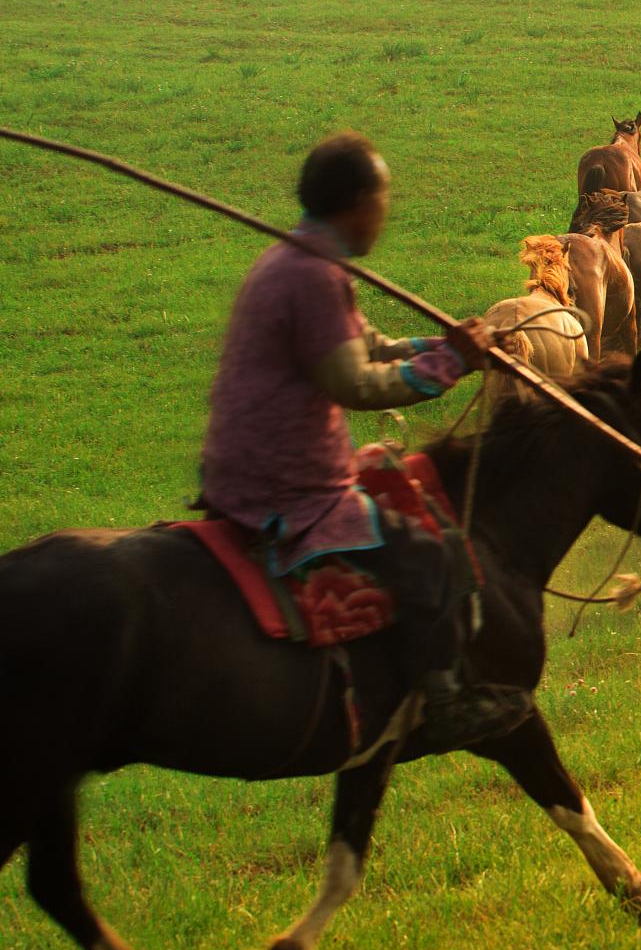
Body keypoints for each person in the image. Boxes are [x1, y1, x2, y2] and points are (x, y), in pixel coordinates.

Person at [198, 131, 531, 752]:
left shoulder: (299, 261)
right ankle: (446, 700)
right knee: (431, 553)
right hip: (289, 484)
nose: (385, 212)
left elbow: (370, 345)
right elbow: (355, 383)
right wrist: (449, 367)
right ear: (356, 205)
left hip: (250, 464)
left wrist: (455, 348)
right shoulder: (311, 277)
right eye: (382, 199)